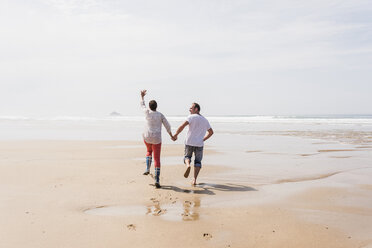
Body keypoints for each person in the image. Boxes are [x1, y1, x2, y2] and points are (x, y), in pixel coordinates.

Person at [173, 103, 214, 185]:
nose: (189, 109)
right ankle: (194, 179)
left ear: (196, 109)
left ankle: (188, 165)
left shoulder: (191, 117)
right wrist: (203, 139)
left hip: (189, 142)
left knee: (187, 157)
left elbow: (182, 126)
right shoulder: (205, 120)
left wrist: (176, 134)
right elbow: (211, 132)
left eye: (191, 108)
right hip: (199, 144)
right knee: (198, 162)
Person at [140, 90, 173, 188]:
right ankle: (157, 179)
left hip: (147, 136)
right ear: (156, 106)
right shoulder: (160, 115)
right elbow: (167, 126)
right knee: (157, 158)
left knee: (149, 150)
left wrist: (142, 96)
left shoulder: (147, 112)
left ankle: (147, 168)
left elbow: (142, 105)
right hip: (157, 139)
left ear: (150, 107)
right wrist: (172, 135)